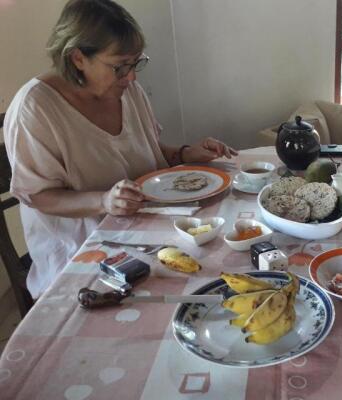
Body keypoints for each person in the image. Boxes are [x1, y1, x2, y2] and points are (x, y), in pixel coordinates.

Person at [3, 0, 237, 298]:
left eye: (136, 63)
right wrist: (104, 201)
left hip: (151, 235)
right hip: (85, 259)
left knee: (221, 274)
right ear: (77, 58)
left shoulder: (126, 91)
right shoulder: (35, 109)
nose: (132, 76)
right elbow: (38, 196)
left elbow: (144, 152)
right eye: (119, 66)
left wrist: (185, 153)